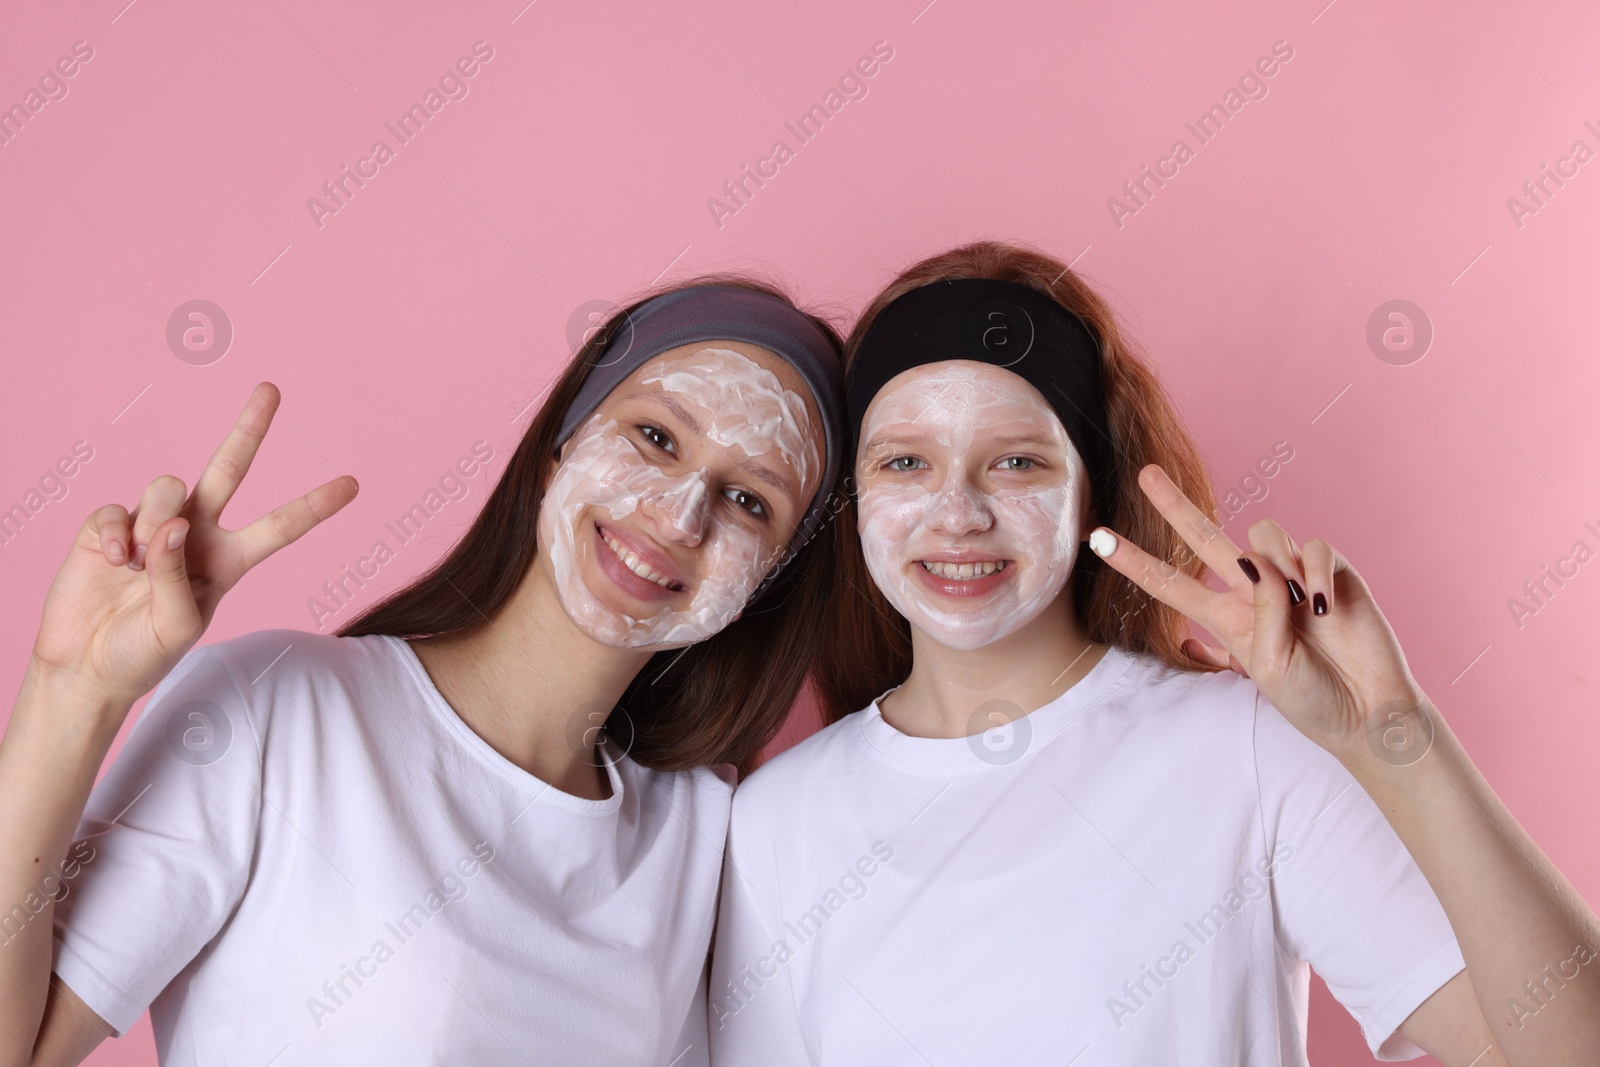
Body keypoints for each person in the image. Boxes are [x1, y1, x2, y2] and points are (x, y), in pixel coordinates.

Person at [707, 242, 1600, 1066]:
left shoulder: (1248, 748)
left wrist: (1397, 739)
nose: (959, 514)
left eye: (1016, 463)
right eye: (905, 462)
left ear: (1090, 485)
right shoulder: (776, 823)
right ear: (852, 501)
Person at [0, 278, 846, 1067]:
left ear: (768, 576)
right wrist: (71, 687)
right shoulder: (280, 710)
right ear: (562, 441)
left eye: (750, 501)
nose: (680, 514)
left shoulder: (705, 836)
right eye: (655, 436)